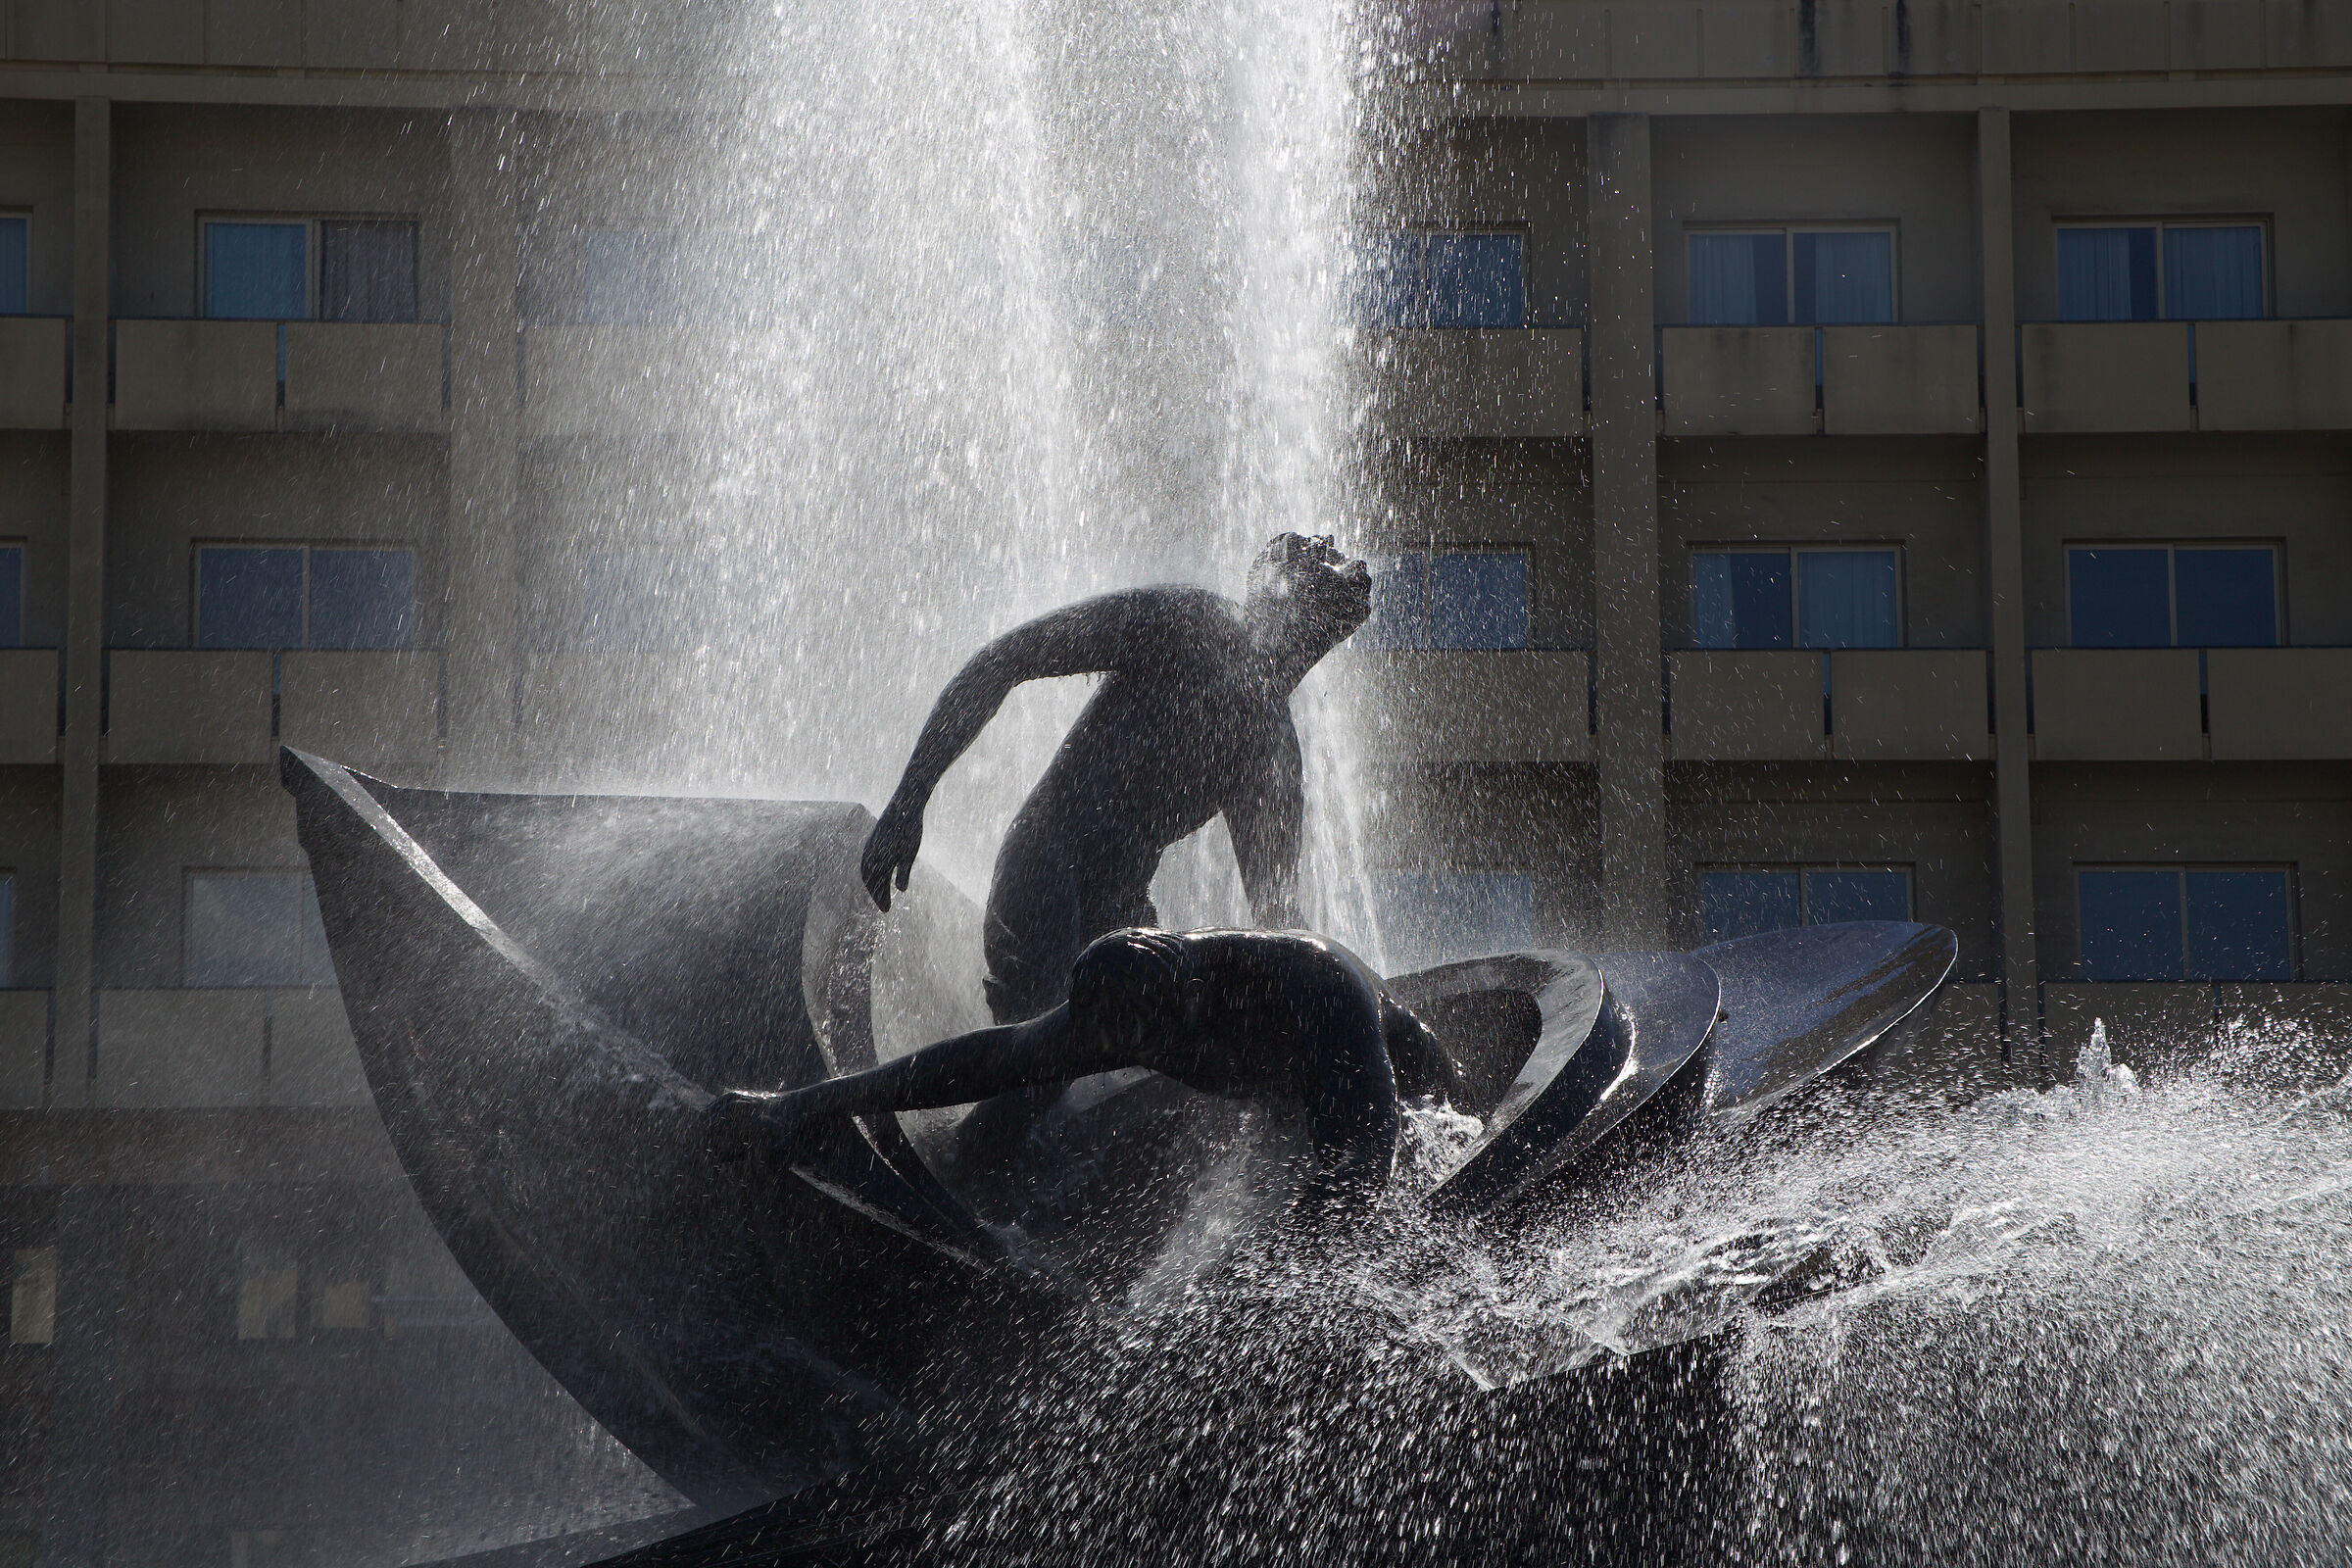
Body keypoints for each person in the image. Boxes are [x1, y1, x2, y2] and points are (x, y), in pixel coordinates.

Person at [858, 533, 1375, 1027]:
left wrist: (1347, 1000)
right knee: (1046, 1073)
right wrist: (909, 799)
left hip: (1120, 912)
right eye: (1311, 549)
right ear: (1276, 587)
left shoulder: (1272, 749)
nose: (1330, 546)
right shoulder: (1192, 623)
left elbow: (1277, 918)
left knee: (1154, 1073)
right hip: (1044, 876)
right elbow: (1006, 660)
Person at [708, 927, 1459, 1212]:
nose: (1142, 1053)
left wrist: (1304, 1299)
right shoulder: (1125, 1003)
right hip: (1290, 1106)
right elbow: (985, 1061)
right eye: (1125, 1043)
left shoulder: (1310, 989)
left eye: (1154, 1039)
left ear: (1193, 996)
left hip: (1408, 1092)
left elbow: (1362, 1156)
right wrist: (801, 1105)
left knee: (1393, 1196)